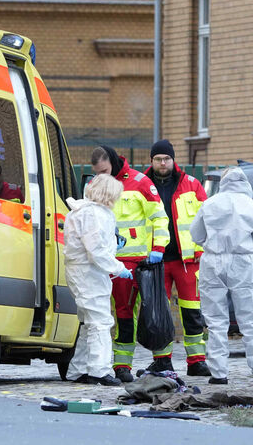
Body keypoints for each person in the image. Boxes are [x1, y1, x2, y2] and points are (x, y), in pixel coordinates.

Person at [90, 145, 170, 382]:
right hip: (112, 264)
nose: (102, 176)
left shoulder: (141, 182)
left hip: (143, 263)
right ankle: (122, 365)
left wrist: (158, 248)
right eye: (98, 172)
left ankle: (163, 359)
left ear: (113, 162)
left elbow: (159, 218)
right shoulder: (96, 184)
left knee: (154, 310)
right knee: (123, 314)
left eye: (105, 170)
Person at [190, 167, 253, 385]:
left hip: (213, 260)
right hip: (242, 260)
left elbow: (196, 234)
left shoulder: (210, 203)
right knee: (251, 319)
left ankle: (219, 373)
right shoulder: (252, 206)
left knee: (216, 320)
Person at [143, 139, 210, 376]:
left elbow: (205, 219)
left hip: (187, 259)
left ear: (173, 160)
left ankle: (197, 361)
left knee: (192, 310)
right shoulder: (142, 184)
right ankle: (162, 360)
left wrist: (202, 251)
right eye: (158, 159)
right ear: (151, 161)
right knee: (157, 312)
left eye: (166, 159)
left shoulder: (191, 184)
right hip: (155, 260)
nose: (163, 163)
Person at [63, 174, 134, 386]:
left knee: (88, 323)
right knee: (101, 323)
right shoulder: (94, 214)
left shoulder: (84, 212)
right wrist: (119, 267)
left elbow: (94, 245)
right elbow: (95, 250)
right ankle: (99, 370)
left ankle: (78, 370)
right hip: (89, 273)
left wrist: (113, 246)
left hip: (84, 272)